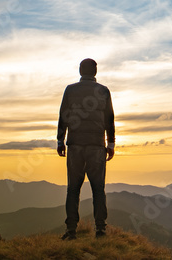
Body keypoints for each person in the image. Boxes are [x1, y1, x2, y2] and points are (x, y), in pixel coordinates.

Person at [57, 58, 115, 240]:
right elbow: (109, 119)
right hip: (96, 146)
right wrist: (111, 143)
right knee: (98, 189)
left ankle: (71, 231)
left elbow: (63, 116)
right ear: (95, 72)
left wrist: (60, 140)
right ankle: (100, 230)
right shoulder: (103, 91)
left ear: (80, 71)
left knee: (73, 189)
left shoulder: (70, 90)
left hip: (75, 145)